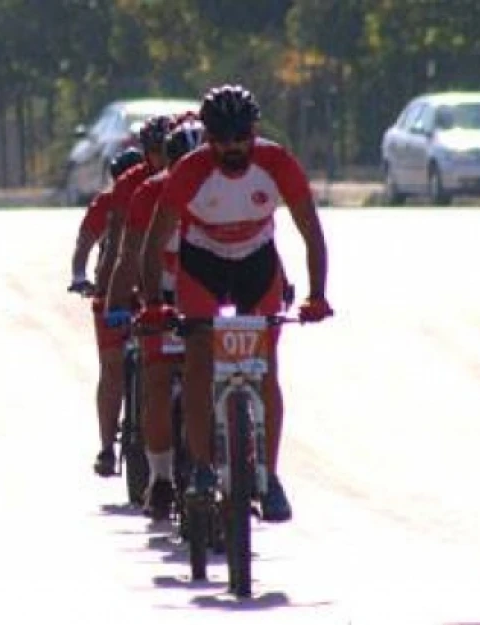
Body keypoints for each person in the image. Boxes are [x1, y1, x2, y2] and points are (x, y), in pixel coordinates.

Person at [128, 84, 333, 522]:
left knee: (267, 369)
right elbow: (154, 242)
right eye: (221, 140)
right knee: (200, 356)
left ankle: (271, 476)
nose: (232, 148)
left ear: (253, 132)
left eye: (240, 138)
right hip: (202, 265)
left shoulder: (277, 163)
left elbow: (311, 231)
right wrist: (152, 304)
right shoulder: (191, 169)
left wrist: (317, 294)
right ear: (208, 138)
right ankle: (201, 469)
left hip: (257, 266)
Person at [103, 118, 205, 519]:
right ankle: (160, 477)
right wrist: (118, 305)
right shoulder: (149, 194)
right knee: (157, 380)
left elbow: (255, 241)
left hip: (210, 294)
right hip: (160, 293)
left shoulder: (220, 190)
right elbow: (128, 256)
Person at [67, 114, 174, 478]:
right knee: (112, 367)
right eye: (153, 152)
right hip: (118, 285)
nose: (160, 158)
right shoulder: (123, 191)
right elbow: (99, 244)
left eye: (165, 150)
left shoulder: (182, 181)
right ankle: (107, 446)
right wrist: (87, 279)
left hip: (157, 287)